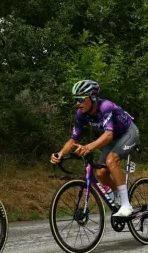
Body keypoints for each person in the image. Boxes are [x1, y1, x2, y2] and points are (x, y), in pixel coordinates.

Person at [51, 80, 138, 217]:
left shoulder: (106, 106)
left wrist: (88, 147)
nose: (77, 103)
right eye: (76, 99)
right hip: (113, 138)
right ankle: (119, 198)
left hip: (128, 133)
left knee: (111, 161)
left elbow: (108, 135)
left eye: (80, 99)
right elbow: (73, 139)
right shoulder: (81, 114)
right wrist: (60, 153)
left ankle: (126, 205)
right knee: (99, 173)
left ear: (92, 97)